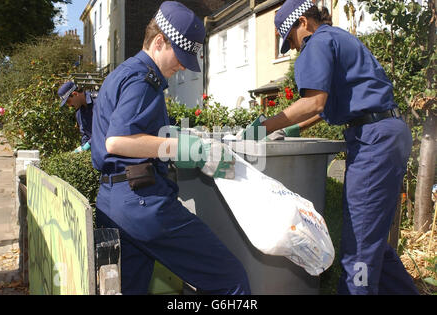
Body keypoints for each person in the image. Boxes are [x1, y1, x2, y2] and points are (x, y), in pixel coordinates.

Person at [242, 0, 418, 294]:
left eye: (291, 40)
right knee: (373, 243)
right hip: (389, 131)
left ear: (303, 23)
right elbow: (322, 108)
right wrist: (292, 127)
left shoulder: (318, 42)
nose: (295, 48)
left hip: (373, 139)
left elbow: (313, 101)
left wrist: (263, 127)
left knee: (359, 249)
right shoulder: (338, 38)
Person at [91, 1, 250, 295]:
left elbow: (124, 133)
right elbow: (118, 140)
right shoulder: (144, 79)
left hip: (113, 201)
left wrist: (178, 135)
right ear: (159, 41)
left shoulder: (121, 74)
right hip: (142, 202)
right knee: (232, 280)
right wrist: (184, 148)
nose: (181, 67)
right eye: (180, 56)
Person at [57, 81, 95, 153]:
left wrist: (88, 144)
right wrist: (83, 148)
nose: (69, 105)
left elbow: (105, 129)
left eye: (68, 101)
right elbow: (85, 134)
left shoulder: (98, 102)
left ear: (75, 94)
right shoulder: (79, 113)